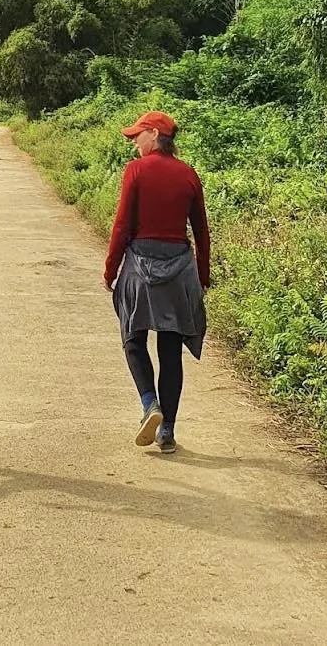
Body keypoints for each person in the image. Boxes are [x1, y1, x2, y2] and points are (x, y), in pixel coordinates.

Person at [104, 110, 209, 454]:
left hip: (140, 264)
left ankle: (150, 403)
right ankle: (167, 430)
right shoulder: (189, 174)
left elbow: (122, 225)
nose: (134, 142)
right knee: (170, 350)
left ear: (153, 135)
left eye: (137, 136)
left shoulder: (136, 171)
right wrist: (202, 275)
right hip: (179, 268)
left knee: (133, 338)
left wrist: (111, 269)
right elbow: (201, 230)